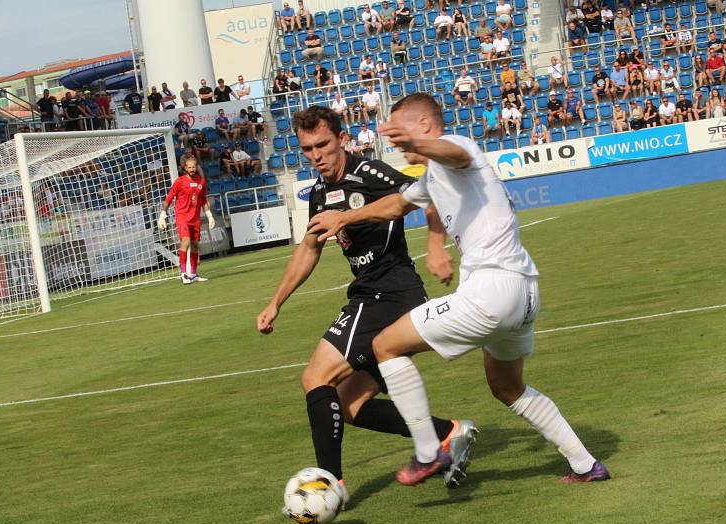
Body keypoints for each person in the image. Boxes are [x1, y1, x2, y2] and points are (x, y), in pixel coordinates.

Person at [307, 93, 609, 486]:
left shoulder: (459, 148)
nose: (397, 144)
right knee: (507, 388)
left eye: (402, 133)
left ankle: (429, 450)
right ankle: (586, 464)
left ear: (426, 127)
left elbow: (454, 154)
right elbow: (396, 205)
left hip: (492, 291)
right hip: (525, 294)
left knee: (385, 345)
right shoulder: (433, 176)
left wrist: (415, 143)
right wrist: (344, 217)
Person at [256, 105, 477, 496]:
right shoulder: (321, 194)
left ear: (342, 139)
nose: (316, 155)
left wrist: (434, 245)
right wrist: (276, 301)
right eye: (307, 149)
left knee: (315, 378)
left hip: (389, 295)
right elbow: (309, 249)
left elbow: (428, 194)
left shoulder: (370, 174)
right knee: (346, 405)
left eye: (323, 144)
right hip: (377, 297)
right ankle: (448, 433)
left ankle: (329, 484)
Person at [157, 156, 215, 285]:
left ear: (197, 167)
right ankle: (183, 273)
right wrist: (162, 214)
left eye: (194, 167)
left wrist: (209, 215)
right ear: (185, 168)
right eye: (189, 167)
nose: (192, 169)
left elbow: (203, 200)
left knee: (195, 245)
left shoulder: (201, 182)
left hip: (195, 218)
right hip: (182, 216)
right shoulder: (179, 181)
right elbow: (169, 198)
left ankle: (193, 274)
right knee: (186, 240)